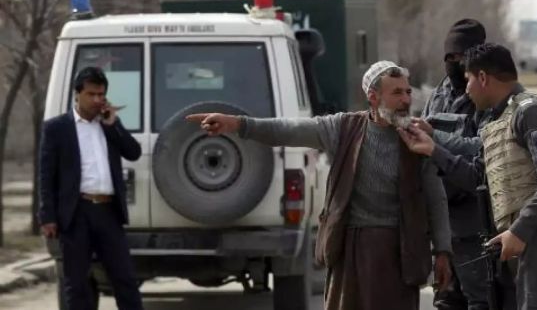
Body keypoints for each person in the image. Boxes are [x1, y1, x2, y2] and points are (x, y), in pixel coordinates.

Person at [187, 60, 452, 310]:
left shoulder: (418, 138)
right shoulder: (344, 128)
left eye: (407, 92)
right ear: (373, 97)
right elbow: (289, 130)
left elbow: (435, 196)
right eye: (397, 93)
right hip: (349, 248)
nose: (406, 100)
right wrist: (238, 124)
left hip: (400, 252)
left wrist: (442, 251)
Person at [400, 43, 537, 310]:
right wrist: (433, 150)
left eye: (469, 80)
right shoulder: (497, 122)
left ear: (483, 78)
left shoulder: (531, 112)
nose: (468, 89)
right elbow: (478, 177)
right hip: (518, 241)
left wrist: (520, 232)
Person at [39, 66, 144, 310]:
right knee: (76, 284)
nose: (97, 100)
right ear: (77, 94)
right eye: (91, 94)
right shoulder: (57, 128)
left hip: (108, 212)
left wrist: (113, 125)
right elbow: (46, 174)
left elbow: (134, 152)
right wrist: (47, 216)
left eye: (101, 95)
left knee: (125, 279)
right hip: (76, 213)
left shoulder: (107, 125)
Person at [420, 19, 490, 310]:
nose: (454, 63)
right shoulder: (439, 93)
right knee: (447, 300)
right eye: (449, 57)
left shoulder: (489, 92)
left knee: (481, 299)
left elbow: (486, 149)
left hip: (476, 219)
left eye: (460, 57)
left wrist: (435, 139)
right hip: (444, 223)